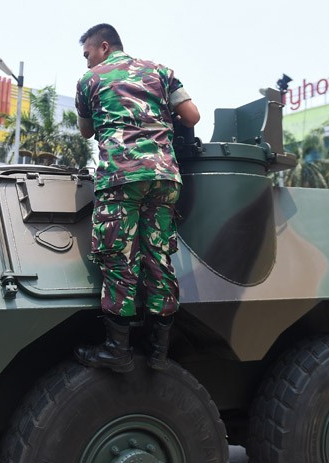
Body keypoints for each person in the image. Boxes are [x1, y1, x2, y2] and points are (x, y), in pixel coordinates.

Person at [73, 23, 200, 373]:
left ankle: (118, 350)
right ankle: (159, 352)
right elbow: (192, 116)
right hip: (164, 176)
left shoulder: (91, 80)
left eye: (87, 54)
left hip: (122, 177)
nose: (86, 62)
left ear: (103, 46)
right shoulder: (160, 70)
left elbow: (86, 131)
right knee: (158, 257)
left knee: (119, 259)